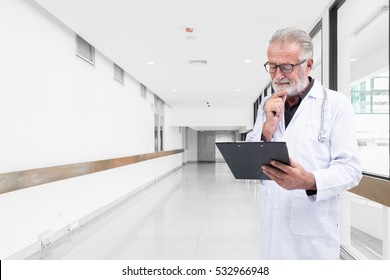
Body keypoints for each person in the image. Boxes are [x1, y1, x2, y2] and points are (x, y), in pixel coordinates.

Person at [246, 27, 362, 259]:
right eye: (272, 66)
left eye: (287, 67)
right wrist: (266, 130)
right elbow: (251, 162)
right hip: (272, 229)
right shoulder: (266, 106)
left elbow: (351, 170)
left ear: (308, 65)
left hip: (313, 237)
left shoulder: (336, 105)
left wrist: (308, 180)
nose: (278, 75)